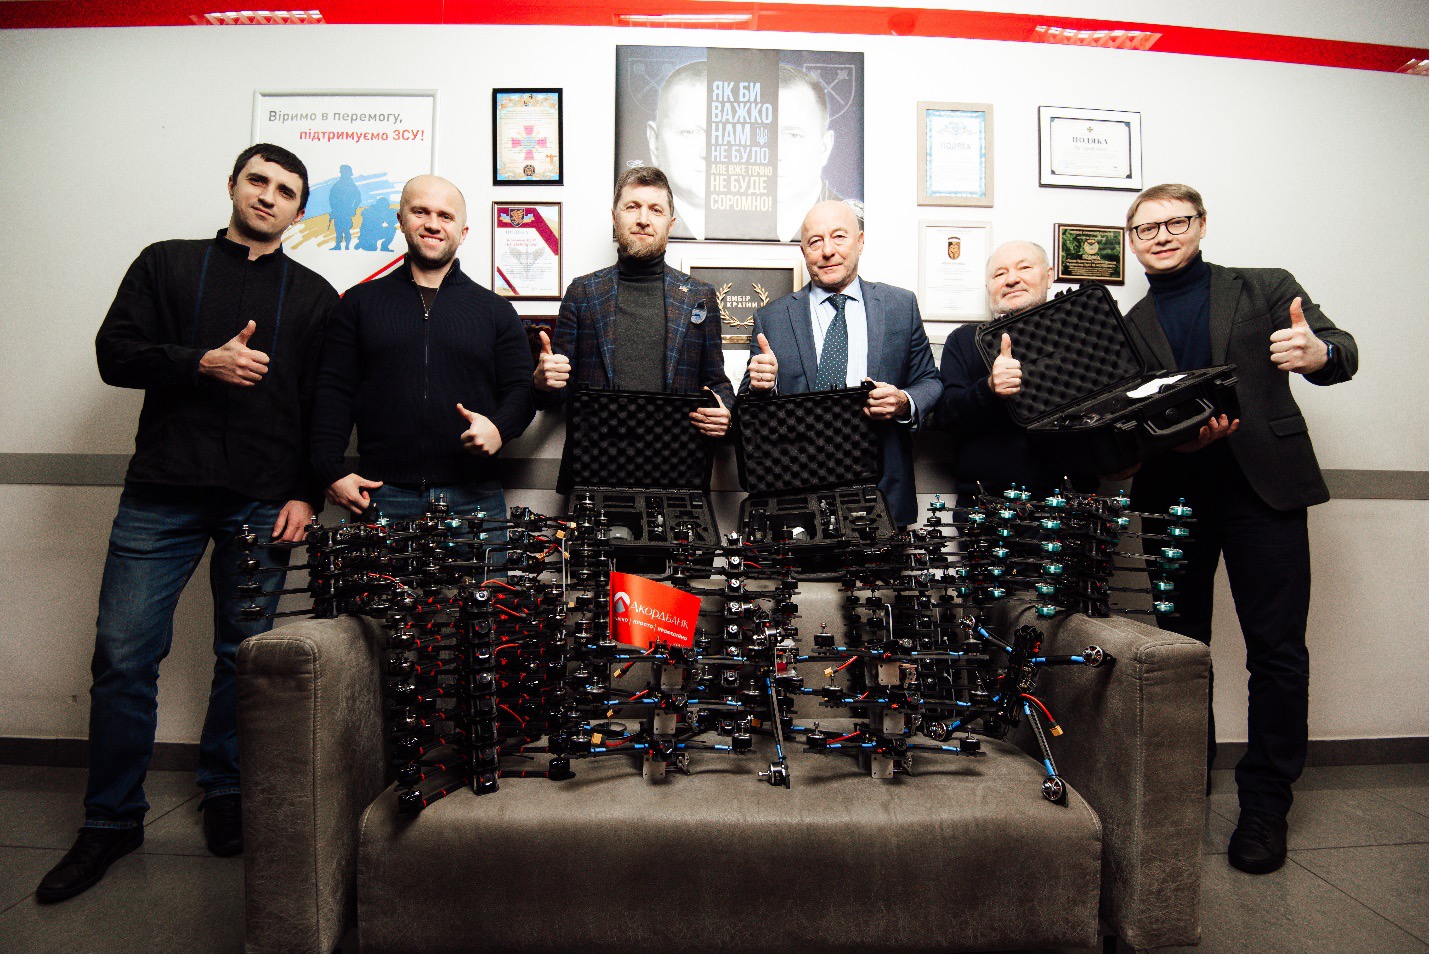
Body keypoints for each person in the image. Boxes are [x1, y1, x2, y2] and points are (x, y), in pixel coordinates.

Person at [37, 144, 337, 904]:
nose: (268, 197)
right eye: (258, 181)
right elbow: (114, 354)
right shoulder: (166, 263)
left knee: (244, 658)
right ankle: (111, 819)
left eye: (285, 191)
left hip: (261, 503)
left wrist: (306, 493)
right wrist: (201, 362)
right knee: (124, 655)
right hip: (162, 494)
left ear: (300, 212)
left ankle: (226, 789)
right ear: (233, 185)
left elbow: (320, 404)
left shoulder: (314, 297)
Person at [1121, 183, 1358, 875]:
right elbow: (1127, 422)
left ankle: (1265, 804)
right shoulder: (1129, 324)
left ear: (1201, 224)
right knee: (1181, 652)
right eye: (1146, 228)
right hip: (1174, 498)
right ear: (1132, 241)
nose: (1162, 236)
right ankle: (1183, 781)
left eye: (1175, 222)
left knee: (1276, 652)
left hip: (1265, 493)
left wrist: (1318, 355)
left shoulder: (1264, 287)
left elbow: (1339, 348)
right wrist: (1175, 441)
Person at [309, 175, 535, 525]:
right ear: (400, 220)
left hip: (475, 498)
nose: (432, 224)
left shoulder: (496, 310)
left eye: (445, 216)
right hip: (381, 495)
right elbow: (333, 392)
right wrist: (329, 471)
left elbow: (521, 390)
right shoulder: (358, 303)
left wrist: (500, 429)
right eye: (420, 212)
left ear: (463, 232)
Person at [740, 200, 942, 528]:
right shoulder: (771, 318)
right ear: (804, 252)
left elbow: (929, 381)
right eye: (815, 241)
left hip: (883, 490)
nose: (828, 251)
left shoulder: (900, 306)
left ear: (860, 241)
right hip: (797, 494)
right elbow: (748, 407)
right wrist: (764, 386)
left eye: (839, 236)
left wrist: (903, 401)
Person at [533, 166, 733, 438]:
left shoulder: (700, 296)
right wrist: (542, 382)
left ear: (670, 224)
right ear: (614, 218)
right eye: (632, 207)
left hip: (676, 455)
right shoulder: (582, 292)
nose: (643, 219)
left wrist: (725, 412)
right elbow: (556, 393)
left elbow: (717, 382)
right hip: (596, 456)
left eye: (656, 210)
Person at [931, 240, 1097, 503]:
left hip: (1072, 505)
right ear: (988, 287)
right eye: (999, 274)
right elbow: (946, 418)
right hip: (984, 506)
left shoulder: (1084, 331)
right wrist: (988, 389)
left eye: (1024, 267)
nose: (1011, 279)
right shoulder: (964, 340)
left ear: (1049, 276)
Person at [645, 61, 861, 242]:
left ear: (825, 147)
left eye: (793, 136)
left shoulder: (859, 223)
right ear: (654, 142)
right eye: (690, 132)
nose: (773, 154)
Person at [329, 163, 361, 251]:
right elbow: (332, 198)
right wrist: (334, 209)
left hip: (346, 211)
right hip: (338, 211)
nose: (342, 173)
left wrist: (353, 208)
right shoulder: (338, 185)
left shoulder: (351, 185)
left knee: (346, 229)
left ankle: (347, 246)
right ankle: (338, 245)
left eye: (344, 172)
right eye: (342, 172)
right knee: (338, 229)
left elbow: (358, 199)